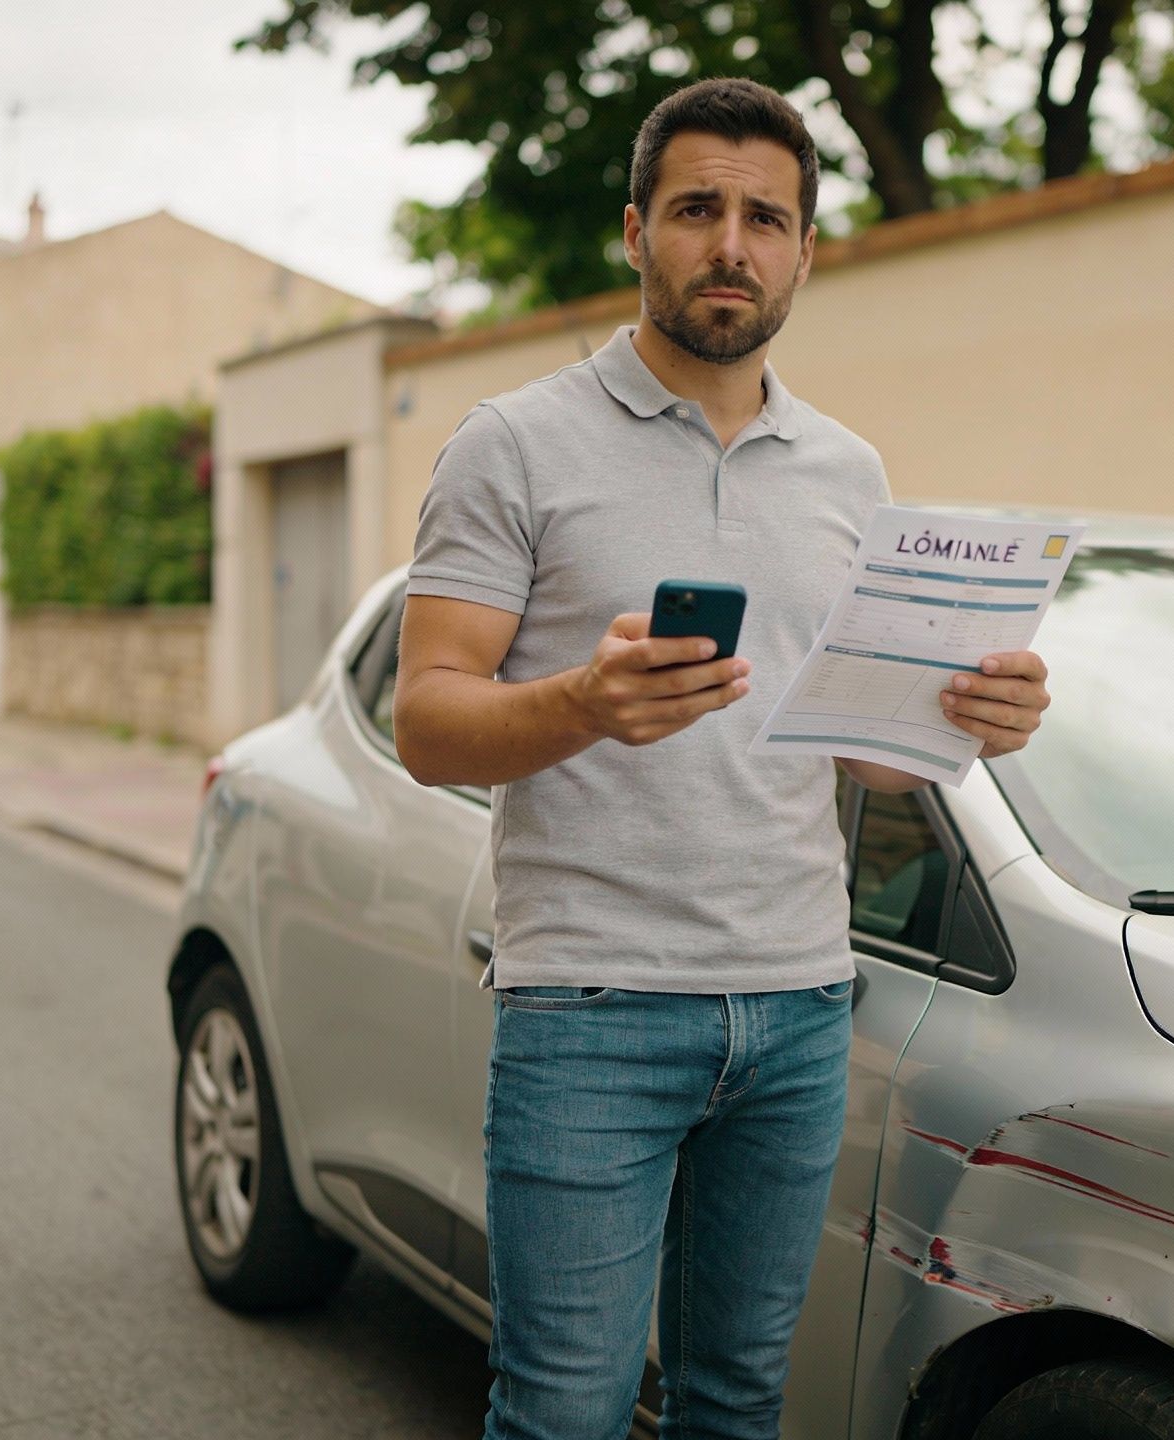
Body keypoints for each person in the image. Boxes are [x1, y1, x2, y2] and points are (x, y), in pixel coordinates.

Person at [391, 76, 1054, 1440]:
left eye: (767, 217)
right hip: (589, 1010)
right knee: (566, 1412)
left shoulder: (850, 474)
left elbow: (860, 756)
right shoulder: (512, 444)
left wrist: (968, 722)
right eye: (699, 210)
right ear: (637, 232)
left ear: (807, 251)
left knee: (737, 1404)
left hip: (800, 1011)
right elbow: (426, 720)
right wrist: (583, 702)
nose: (731, 245)